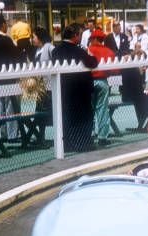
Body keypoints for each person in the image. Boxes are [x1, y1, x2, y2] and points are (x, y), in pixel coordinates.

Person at [52, 23, 98, 152]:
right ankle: (84, 143)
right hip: (81, 89)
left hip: (64, 89)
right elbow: (92, 63)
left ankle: (67, 144)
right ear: (75, 35)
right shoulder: (78, 50)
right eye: (80, 34)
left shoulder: (56, 50)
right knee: (85, 117)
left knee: (67, 117)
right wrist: (90, 54)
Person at [0, 14, 23, 140]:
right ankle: (12, 134)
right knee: (11, 107)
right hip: (9, 77)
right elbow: (17, 57)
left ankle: (3, 133)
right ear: (3, 25)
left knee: (0, 108)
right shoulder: (7, 40)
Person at [88, 29, 115, 147]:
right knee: (102, 110)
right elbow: (114, 70)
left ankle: (90, 134)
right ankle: (103, 136)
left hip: (89, 82)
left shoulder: (88, 50)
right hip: (103, 82)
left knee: (89, 110)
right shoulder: (109, 51)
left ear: (93, 39)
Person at [32, 27, 54, 142]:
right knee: (40, 112)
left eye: (34, 36)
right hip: (41, 88)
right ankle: (41, 136)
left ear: (40, 38)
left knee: (50, 111)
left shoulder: (49, 47)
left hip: (50, 87)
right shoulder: (37, 51)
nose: (33, 39)